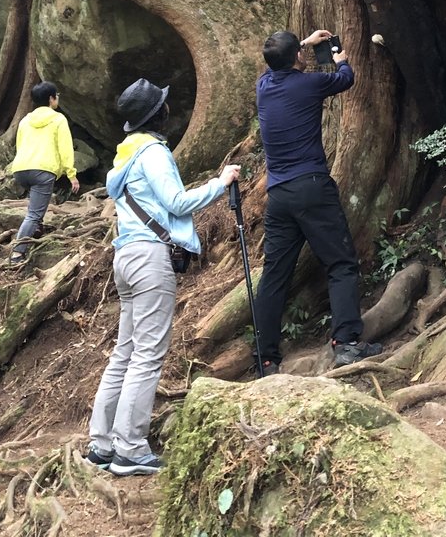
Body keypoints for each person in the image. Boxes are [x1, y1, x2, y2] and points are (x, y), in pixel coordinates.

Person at [86, 78, 240, 477]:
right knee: (147, 354)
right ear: (158, 115)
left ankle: (102, 444)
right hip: (150, 259)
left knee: (126, 351)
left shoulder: (125, 157)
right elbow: (176, 202)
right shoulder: (153, 153)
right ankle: (130, 449)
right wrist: (220, 184)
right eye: (164, 106)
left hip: (126, 257)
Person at [252, 29, 382, 374]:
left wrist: (304, 45)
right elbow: (345, 79)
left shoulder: (264, 88)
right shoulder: (308, 85)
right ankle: (348, 344)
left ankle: (265, 359)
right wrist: (339, 57)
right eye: (300, 52)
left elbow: (275, 66)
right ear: (296, 57)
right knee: (340, 263)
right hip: (311, 187)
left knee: (274, 276)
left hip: (278, 196)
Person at [9, 81, 79, 266]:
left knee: (35, 205)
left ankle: (36, 232)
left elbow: (20, 144)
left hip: (21, 169)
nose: (58, 98)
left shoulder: (25, 120)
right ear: (51, 98)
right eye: (57, 95)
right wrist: (71, 174)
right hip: (43, 170)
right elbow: (65, 148)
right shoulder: (58, 119)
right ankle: (18, 252)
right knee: (34, 214)